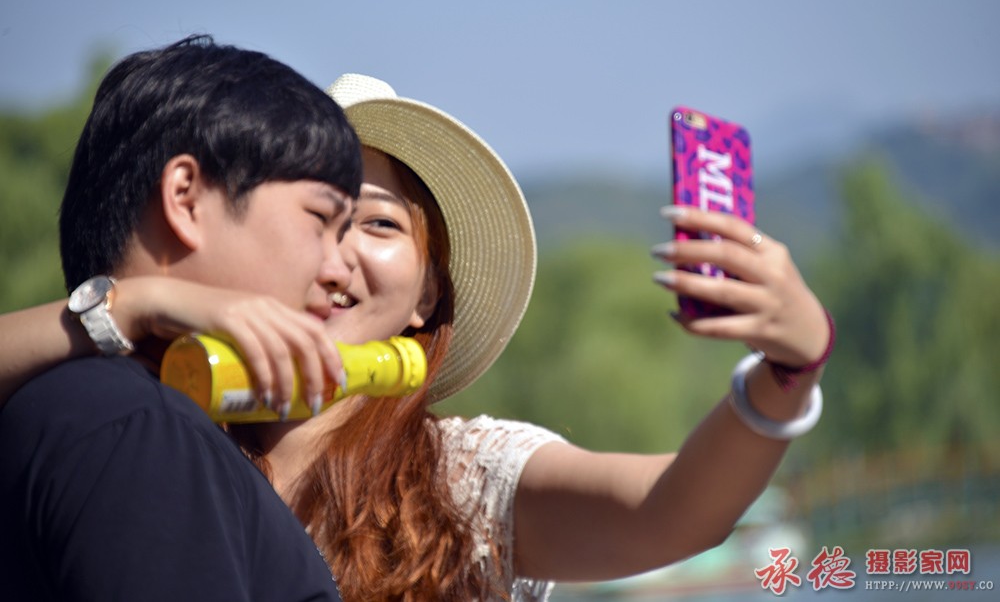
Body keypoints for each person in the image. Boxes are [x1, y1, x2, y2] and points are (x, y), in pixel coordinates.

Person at [0, 73, 833, 601]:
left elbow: (674, 510)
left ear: (428, 291)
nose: (336, 259)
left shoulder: (464, 478)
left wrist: (788, 371)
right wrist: (129, 306)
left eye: (376, 223)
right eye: (317, 221)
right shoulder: (147, 428)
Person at [0, 36, 359, 601]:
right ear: (186, 198)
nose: (341, 270)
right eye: (320, 220)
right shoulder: (142, 428)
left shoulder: (84, 406)